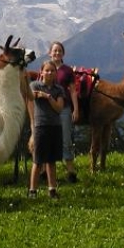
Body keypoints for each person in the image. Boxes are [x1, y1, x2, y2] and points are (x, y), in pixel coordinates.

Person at [28, 61, 65, 199]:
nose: (50, 73)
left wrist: (48, 97)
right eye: (47, 70)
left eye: (52, 71)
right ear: (41, 72)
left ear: (56, 73)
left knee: (51, 160)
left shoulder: (59, 89)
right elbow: (31, 96)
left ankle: (52, 189)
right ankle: (32, 190)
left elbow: (59, 108)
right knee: (37, 160)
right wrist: (40, 95)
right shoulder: (35, 85)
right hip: (41, 126)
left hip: (55, 126)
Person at [49, 41, 79, 183]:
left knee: (66, 139)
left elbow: (73, 91)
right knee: (48, 139)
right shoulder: (46, 68)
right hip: (48, 110)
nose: (57, 53)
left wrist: (76, 109)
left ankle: (70, 171)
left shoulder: (67, 70)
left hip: (64, 109)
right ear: (50, 53)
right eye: (55, 51)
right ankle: (45, 171)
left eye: (59, 51)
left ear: (63, 53)